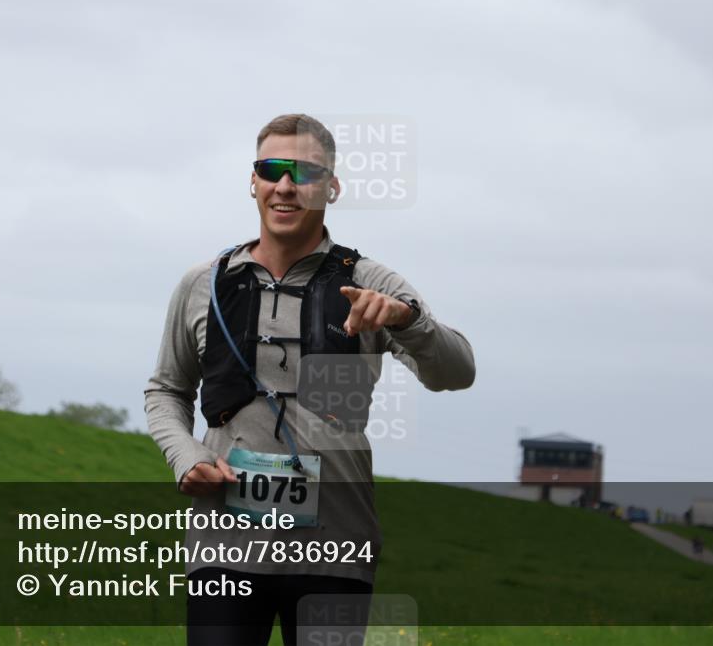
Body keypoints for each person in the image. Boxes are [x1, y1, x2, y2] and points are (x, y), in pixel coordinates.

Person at [144, 113, 476, 646]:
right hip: (224, 547)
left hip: (336, 548)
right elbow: (166, 390)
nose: (286, 186)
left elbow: (457, 372)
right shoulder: (201, 284)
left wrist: (407, 321)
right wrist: (187, 457)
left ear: (333, 187)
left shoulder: (370, 282)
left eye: (305, 172)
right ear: (252, 181)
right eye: (271, 169)